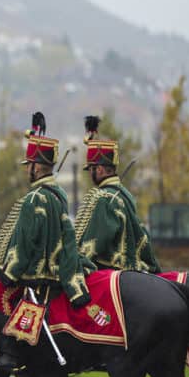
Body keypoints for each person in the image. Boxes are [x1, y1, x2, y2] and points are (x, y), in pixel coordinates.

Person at [0, 112, 93, 370]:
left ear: (37, 166)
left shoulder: (35, 199)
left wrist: (9, 272)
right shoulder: (58, 195)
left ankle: (11, 353)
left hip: (39, 272)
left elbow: (25, 245)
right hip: (57, 266)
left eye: (29, 165)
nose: (27, 170)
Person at [75, 115, 161, 273]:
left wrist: (72, 262)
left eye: (91, 169)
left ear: (99, 169)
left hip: (110, 270)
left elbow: (93, 245)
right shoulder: (124, 195)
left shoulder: (103, 198)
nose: (89, 174)